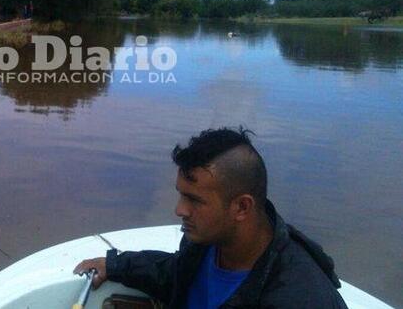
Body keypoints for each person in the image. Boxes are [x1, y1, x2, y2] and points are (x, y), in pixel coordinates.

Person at [74, 127, 348, 308]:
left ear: (242, 207)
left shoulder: (301, 297)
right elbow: (175, 273)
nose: (179, 210)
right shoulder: (206, 245)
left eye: (194, 200)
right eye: (182, 195)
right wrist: (117, 265)